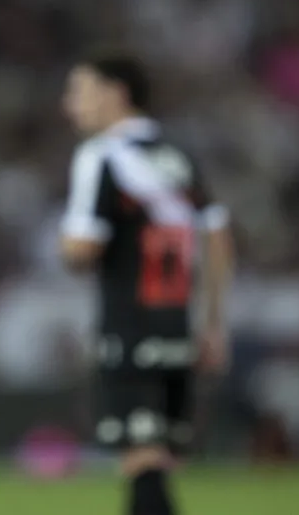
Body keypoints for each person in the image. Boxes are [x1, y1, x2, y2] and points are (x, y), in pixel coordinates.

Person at [58, 50, 234, 515]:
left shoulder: (103, 155)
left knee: (141, 459)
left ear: (116, 93)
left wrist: (66, 246)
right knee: (158, 458)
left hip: (130, 325)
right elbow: (218, 238)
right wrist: (213, 324)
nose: (69, 104)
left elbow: (82, 248)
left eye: (80, 91)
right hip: (178, 326)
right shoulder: (178, 155)